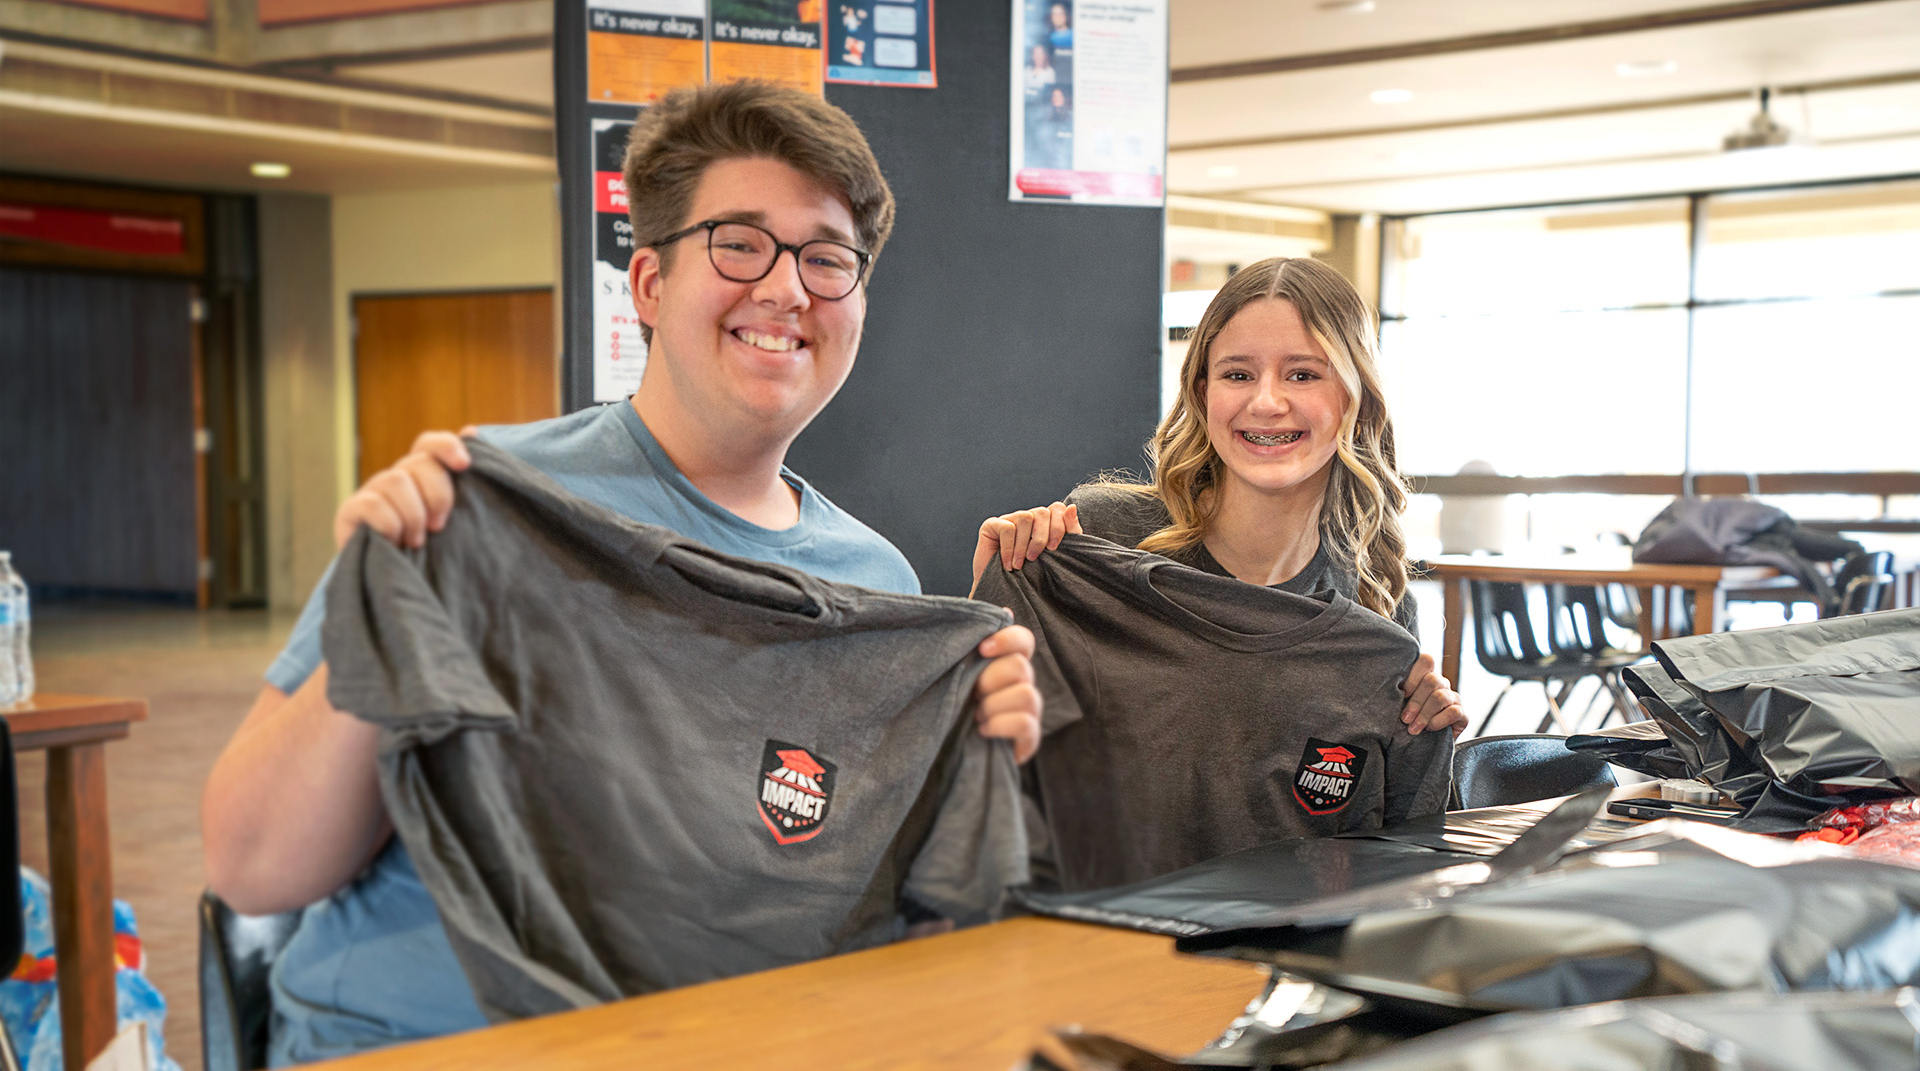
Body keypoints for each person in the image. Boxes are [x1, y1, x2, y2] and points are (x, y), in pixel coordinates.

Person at [202, 82, 1043, 1066]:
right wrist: (398, 594)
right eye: (739, 243)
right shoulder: (484, 504)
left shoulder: (875, 590)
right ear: (648, 283)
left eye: (827, 259)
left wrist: (961, 748)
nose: (786, 289)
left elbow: (869, 908)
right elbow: (251, 868)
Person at [971, 256, 1465, 736]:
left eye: (1303, 374)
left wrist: (1428, 717)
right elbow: (983, 745)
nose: (1267, 402)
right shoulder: (1100, 535)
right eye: (1238, 374)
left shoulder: (1374, 592)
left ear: (1357, 396)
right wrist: (989, 609)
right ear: (1203, 392)